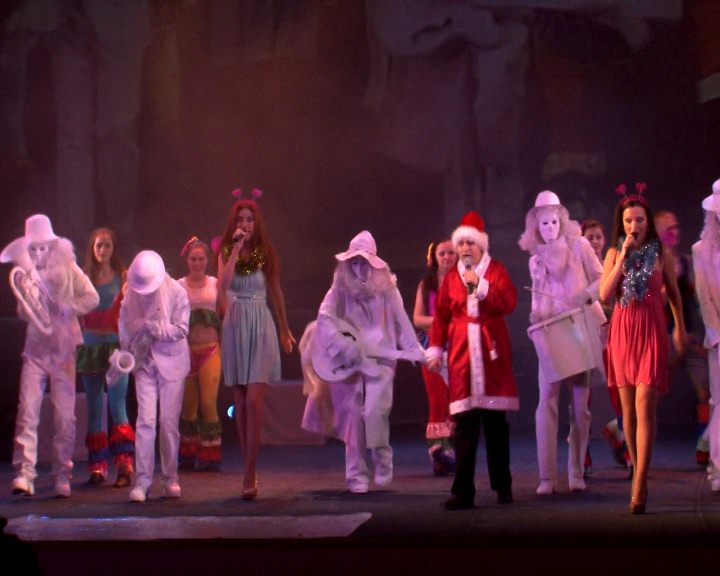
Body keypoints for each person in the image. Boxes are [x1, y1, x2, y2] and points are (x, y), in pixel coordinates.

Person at [300, 230, 424, 494]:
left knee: (375, 411)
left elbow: (402, 320)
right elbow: (325, 316)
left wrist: (413, 349)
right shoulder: (340, 285)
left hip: (382, 355)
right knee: (352, 414)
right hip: (351, 358)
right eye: (354, 262)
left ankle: (382, 457)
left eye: (364, 262)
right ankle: (356, 475)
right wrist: (344, 345)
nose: (358, 268)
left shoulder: (387, 287)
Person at [599, 182, 686, 514]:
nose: (634, 225)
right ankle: (637, 467)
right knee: (629, 413)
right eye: (628, 221)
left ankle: (640, 482)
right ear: (621, 224)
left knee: (646, 402)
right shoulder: (613, 253)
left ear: (648, 221)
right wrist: (622, 257)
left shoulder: (661, 254)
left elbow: (674, 294)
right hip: (622, 331)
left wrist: (679, 329)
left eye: (639, 220)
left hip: (651, 329)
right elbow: (604, 295)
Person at [1, 214, 99, 497]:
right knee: (27, 410)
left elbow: (91, 297)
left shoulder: (69, 267)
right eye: (32, 248)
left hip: (63, 349)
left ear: (53, 246)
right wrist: (27, 300)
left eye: (42, 247)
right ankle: (25, 474)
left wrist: (68, 307)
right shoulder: (26, 274)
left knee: (64, 416)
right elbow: (23, 313)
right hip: (35, 348)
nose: (37, 253)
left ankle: (62, 474)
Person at [426, 211, 518, 510]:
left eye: (470, 243)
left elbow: (509, 302)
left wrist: (480, 284)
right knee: (464, 427)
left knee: (495, 427)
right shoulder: (452, 278)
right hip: (462, 356)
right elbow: (441, 316)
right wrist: (436, 348)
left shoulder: (497, 270)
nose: (464, 249)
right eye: (461, 244)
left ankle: (503, 486)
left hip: (491, 355)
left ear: (481, 245)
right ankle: (463, 492)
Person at [519, 191, 604, 496]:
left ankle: (576, 471)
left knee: (580, 406)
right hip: (550, 333)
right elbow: (537, 295)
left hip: (578, 327)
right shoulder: (535, 259)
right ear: (536, 226)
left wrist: (584, 296)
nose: (550, 228)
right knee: (546, 401)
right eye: (544, 223)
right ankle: (547, 476)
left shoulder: (579, 246)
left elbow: (602, 278)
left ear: (562, 220)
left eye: (554, 222)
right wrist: (536, 314)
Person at [217, 190, 295, 500]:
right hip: (235, 324)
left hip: (260, 323)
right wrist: (236, 248)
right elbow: (222, 286)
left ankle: (250, 471)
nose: (245, 224)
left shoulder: (266, 253)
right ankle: (247, 469)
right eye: (241, 220)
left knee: (254, 401)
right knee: (240, 400)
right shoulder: (226, 250)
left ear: (256, 223)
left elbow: (276, 291)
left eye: (250, 219)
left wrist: (284, 329)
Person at [121, 250, 190, 502]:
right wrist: (127, 347)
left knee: (168, 422)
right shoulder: (131, 292)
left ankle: (170, 478)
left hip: (172, 362)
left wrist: (159, 330)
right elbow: (124, 322)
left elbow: (182, 328)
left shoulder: (177, 292)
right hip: (144, 361)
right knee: (145, 421)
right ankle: (142, 481)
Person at [76, 227, 135, 487]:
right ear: (92, 248)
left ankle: (124, 465)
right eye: (99, 245)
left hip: (114, 349)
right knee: (94, 407)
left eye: (107, 245)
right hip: (89, 347)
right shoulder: (82, 277)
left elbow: (132, 311)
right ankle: (97, 466)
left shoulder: (124, 277)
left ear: (113, 248)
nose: (102, 250)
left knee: (117, 405)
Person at [655, 209, 710, 466]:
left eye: (676, 227)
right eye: (668, 229)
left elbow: (699, 300)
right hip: (663, 336)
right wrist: (669, 278)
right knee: (654, 393)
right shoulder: (651, 263)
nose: (674, 233)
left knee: (707, 391)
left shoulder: (687, 261)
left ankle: (705, 445)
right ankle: (619, 429)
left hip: (688, 335)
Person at [581, 218, 630, 471]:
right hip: (585, 340)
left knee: (619, 396)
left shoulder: (612, 264)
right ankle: (582, 457)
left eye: (598, 237)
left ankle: (628, 449)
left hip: (612, 339)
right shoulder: (577, 270)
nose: (594, 242)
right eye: (589, 237)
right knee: (582, 400)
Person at [177, 236, 222, 472]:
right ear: (187, 260)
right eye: (193, 259)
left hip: (210, 350)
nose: (197, 263)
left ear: (207, 260)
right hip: (185, 353)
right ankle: (188, 452)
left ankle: (210, 454)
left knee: (208, 403)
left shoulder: (215, 283)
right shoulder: (178, 286)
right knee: (188, 406)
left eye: (201, 259)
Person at [413, 239, 458, 476]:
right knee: (437, 400)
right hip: (431, 349)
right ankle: (438, 452)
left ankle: (450, 450)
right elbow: (417, 319)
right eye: (442, 253)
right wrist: (443, 322)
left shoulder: (466, 281)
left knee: (456, 403)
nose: (447, 257)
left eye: (451, 253)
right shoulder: (426, 285)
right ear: (434, 257)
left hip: (460, 348)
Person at [692, 179, 720, 490]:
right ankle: (718, 467)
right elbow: (704, 296)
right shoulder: (701, 250)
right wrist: (717, 332)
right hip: (718, 336)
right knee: (719, 402)